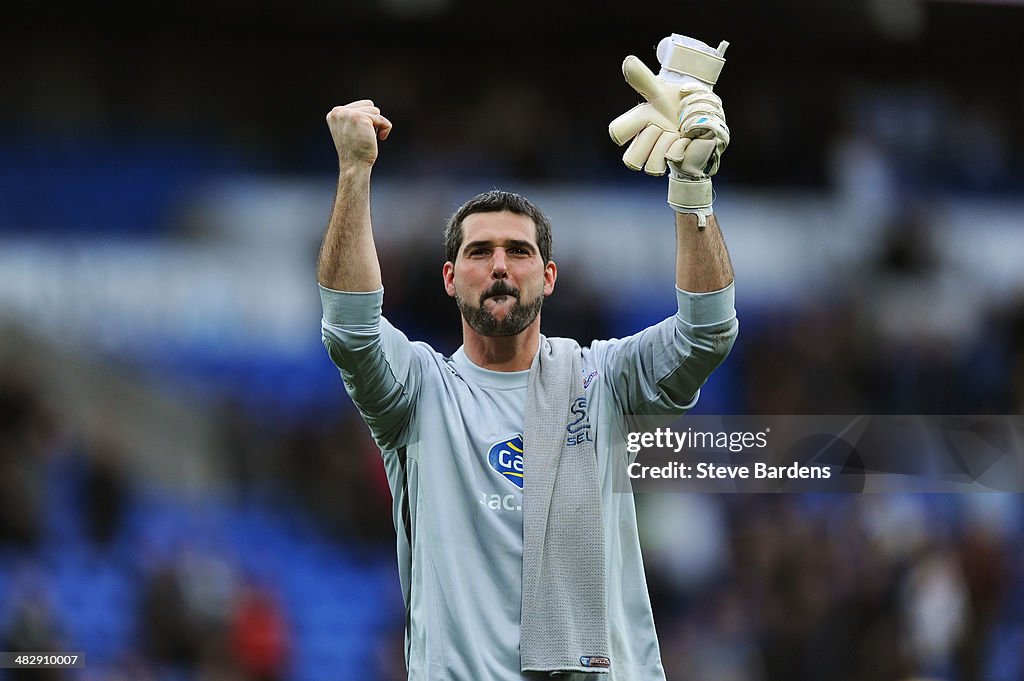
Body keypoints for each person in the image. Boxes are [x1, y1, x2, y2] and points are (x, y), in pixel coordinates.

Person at [318, 34, 738, 681]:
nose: (499, 266)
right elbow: (350, 329)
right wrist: (354, 173)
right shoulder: (421, 393)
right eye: (479, 252)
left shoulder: (602, 379)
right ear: (449, 278)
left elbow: (707, 331)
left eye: (517, 252)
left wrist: (693, 191)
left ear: (548, 276)